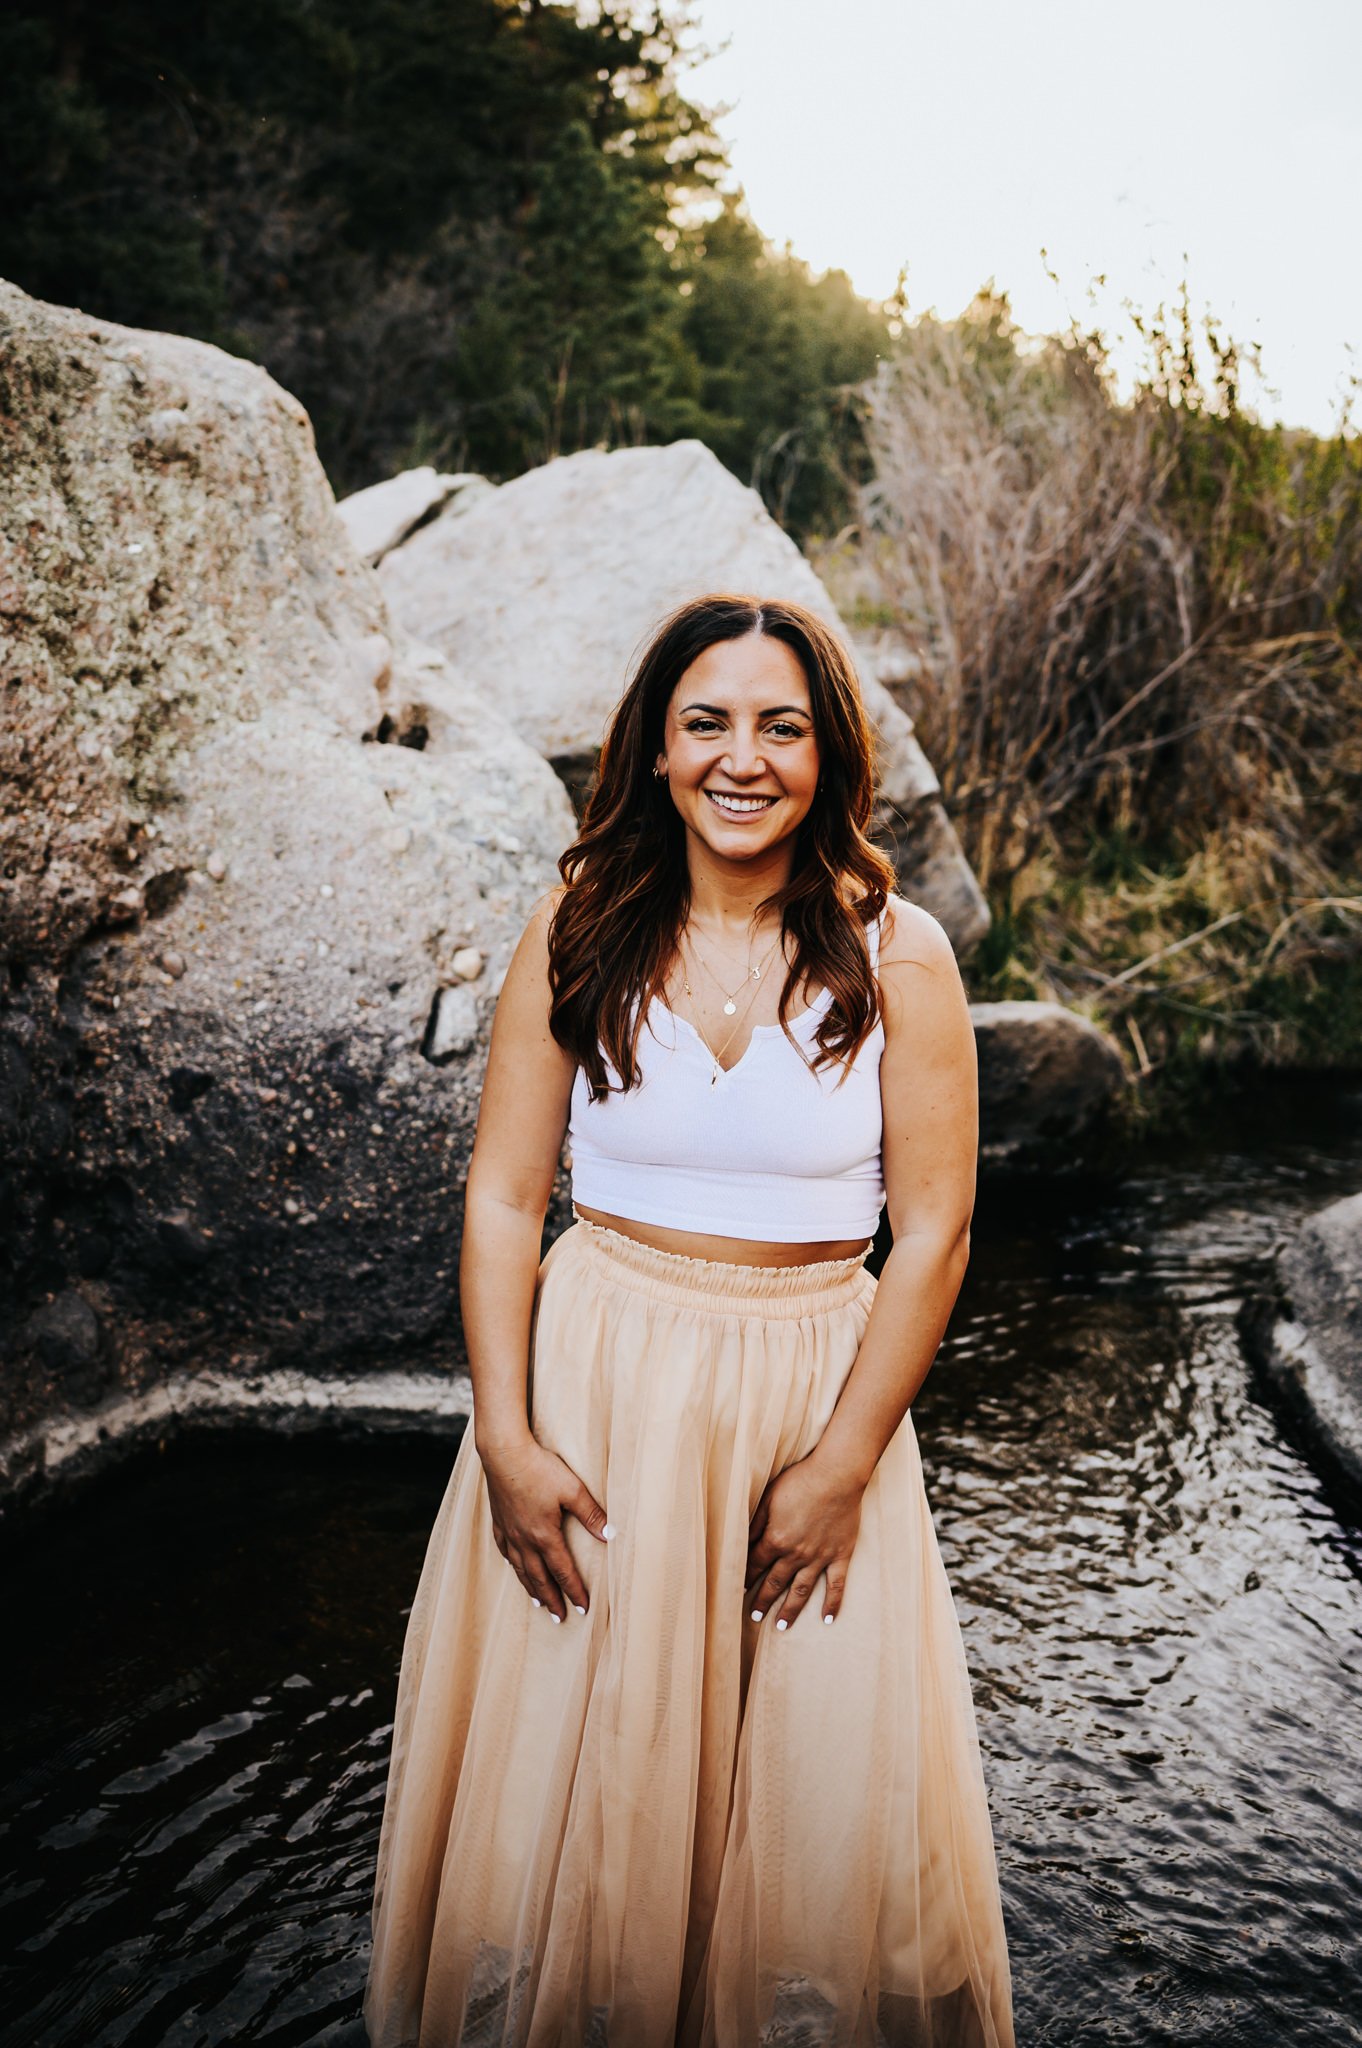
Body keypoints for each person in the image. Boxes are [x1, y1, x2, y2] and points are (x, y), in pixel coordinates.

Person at [363, 593, 1015, 2048]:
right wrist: (507, 1437)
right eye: (705, 722)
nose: (742, 758)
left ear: (827, 755)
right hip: (594, 1396)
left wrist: (842, 1466)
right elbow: (499, 1200)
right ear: (654, 750)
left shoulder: (895, 953)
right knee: (585, 1808)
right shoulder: (577, 923)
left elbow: (934, 1234)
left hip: (809, 1403)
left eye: (780, 726)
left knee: (801, 1821)